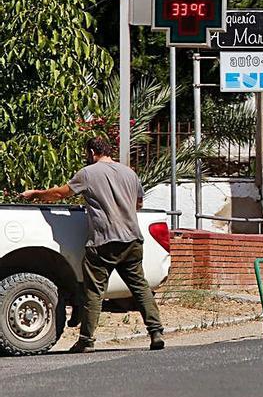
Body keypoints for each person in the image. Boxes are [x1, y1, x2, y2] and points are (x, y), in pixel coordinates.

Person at [22, 137, 164, 353]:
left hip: (103, 242)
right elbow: (139, 203)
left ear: (91, 152)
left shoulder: (88, 173)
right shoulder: (129, 173)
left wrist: (36, 194)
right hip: (132, 239)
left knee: (94, 292)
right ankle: (156, 332)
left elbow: (61, 193)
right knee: (139, 287)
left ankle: (86, 341)